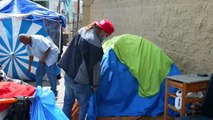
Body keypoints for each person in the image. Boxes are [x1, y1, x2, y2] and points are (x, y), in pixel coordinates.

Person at [58, 19, 114, 120]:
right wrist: (95, 84)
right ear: (102, 31)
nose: (105, 38)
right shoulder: (95, 44)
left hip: (69, 74)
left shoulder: (83, 30)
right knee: (85, 106)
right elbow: (95, 68)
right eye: (106, 35)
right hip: (81, 80)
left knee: (68, 102)